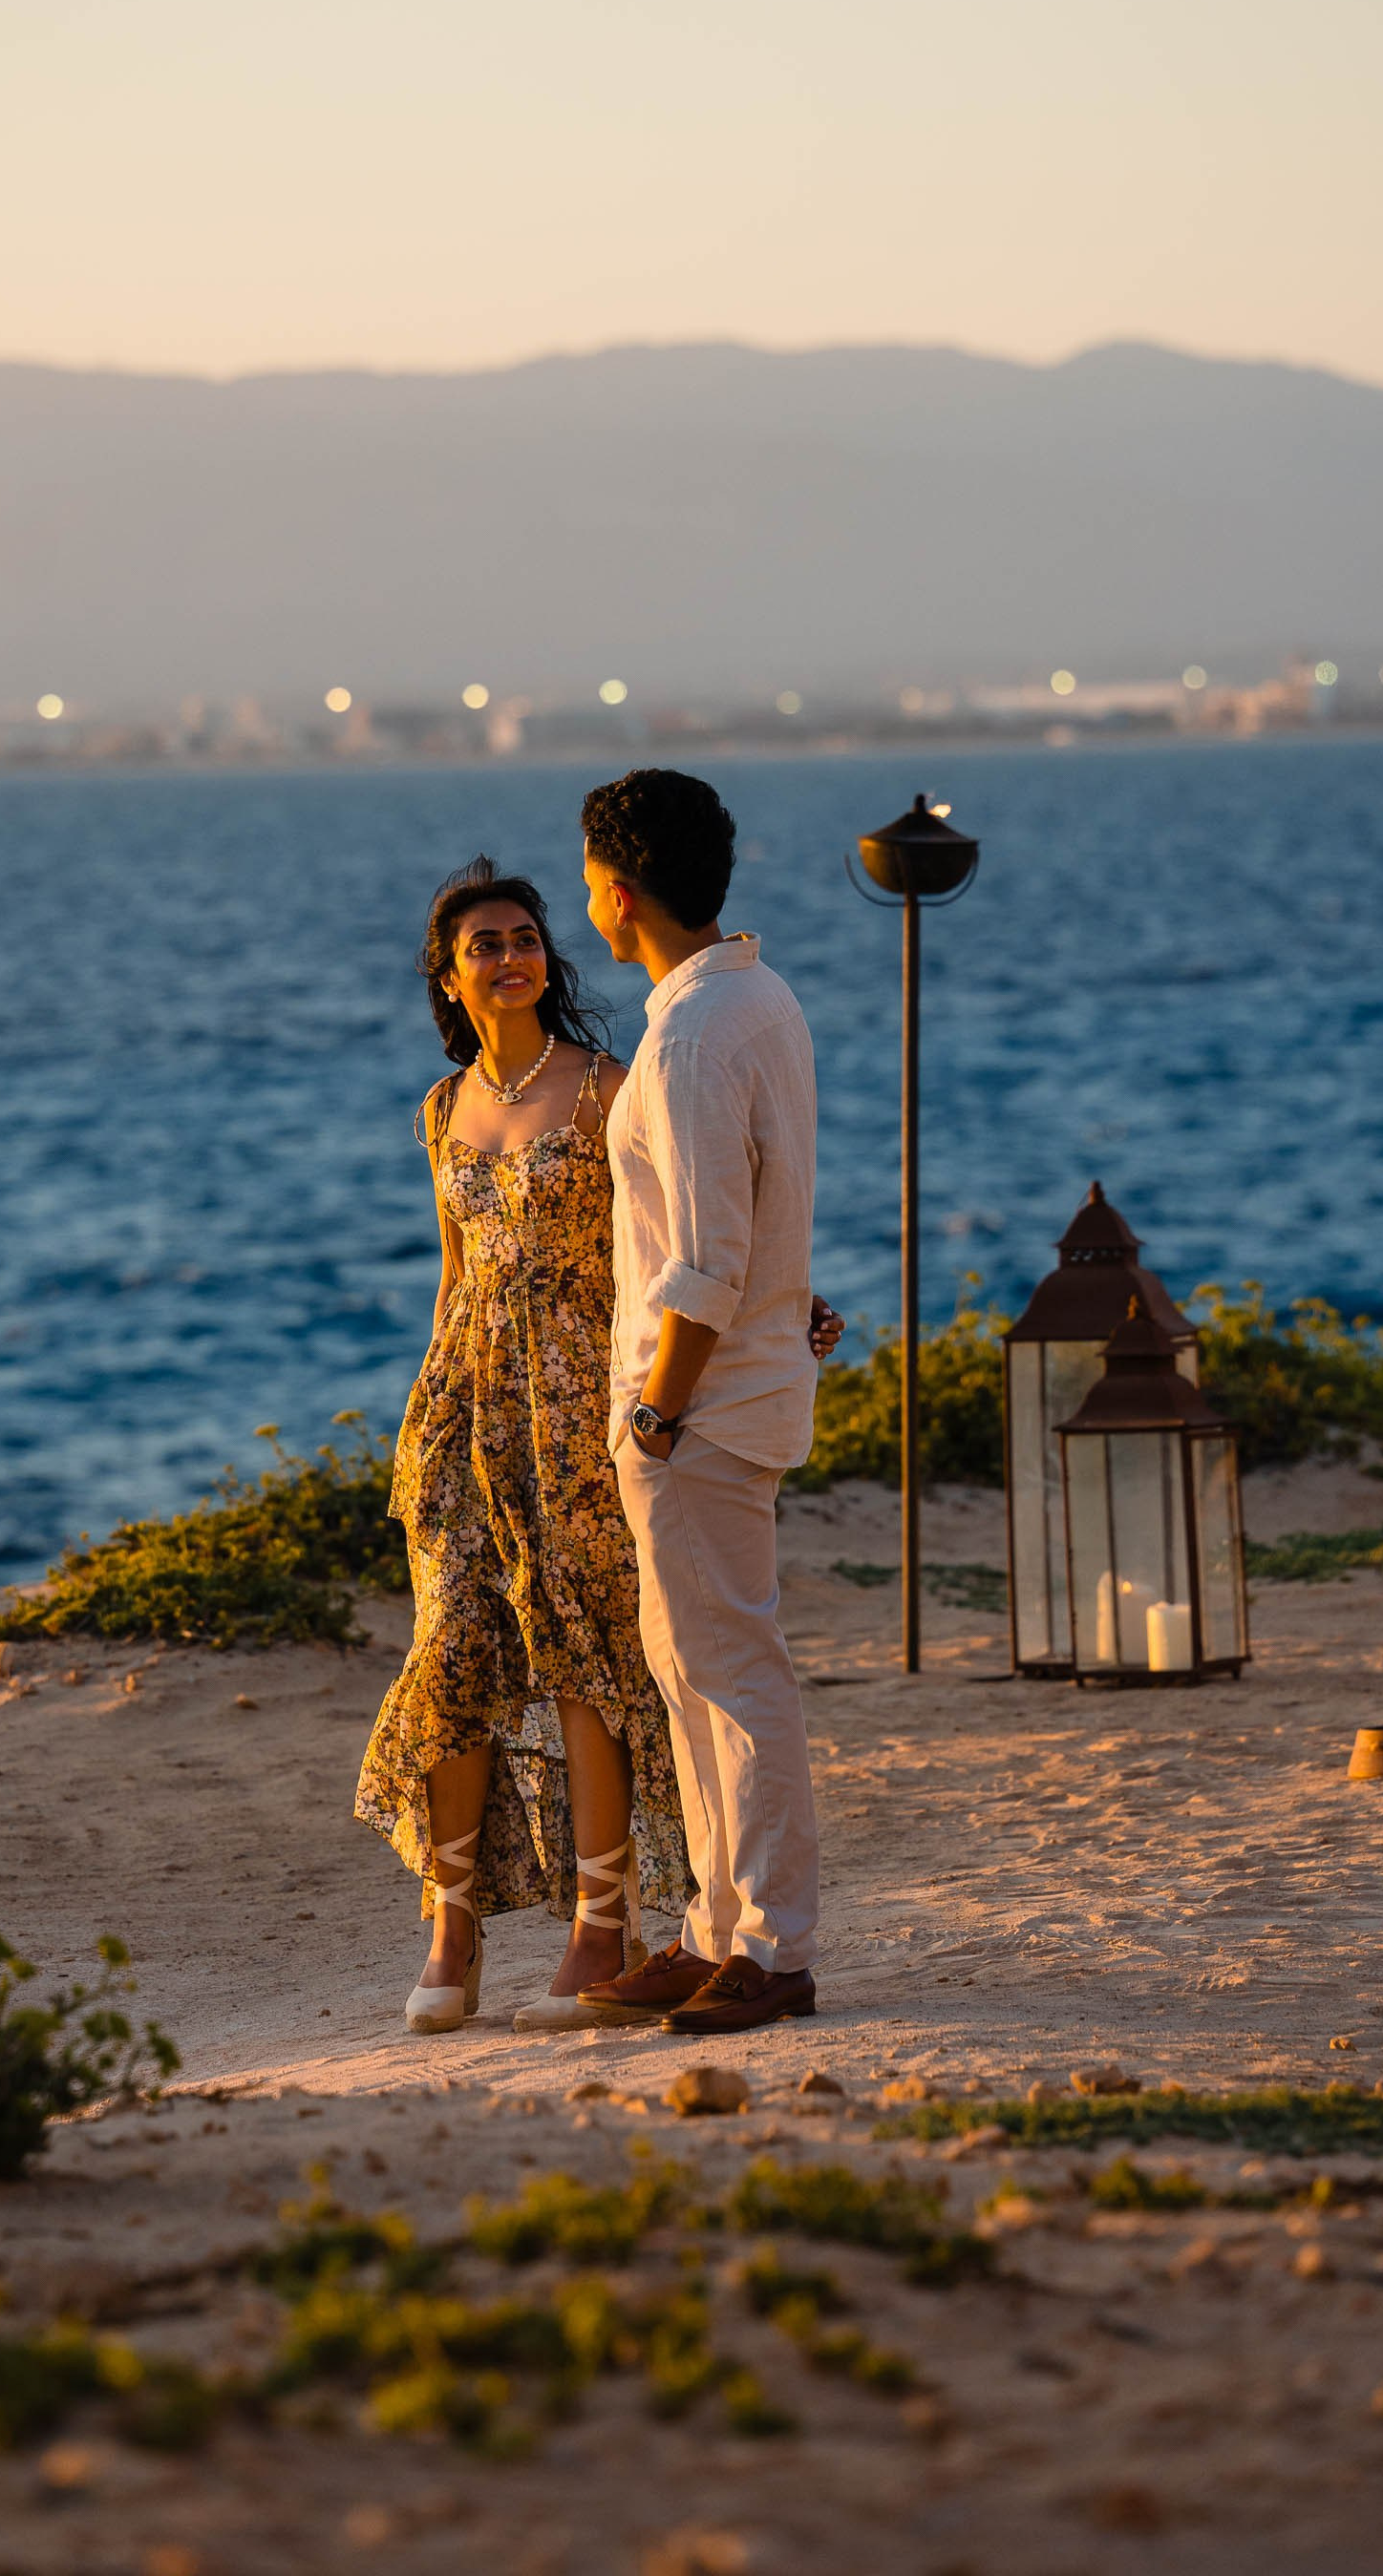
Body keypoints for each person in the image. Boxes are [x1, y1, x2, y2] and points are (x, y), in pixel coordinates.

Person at [353, 857, 691, 2035]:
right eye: (483, 944)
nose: (510, 955)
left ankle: (604, 1922)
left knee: (583, 1660)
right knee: (452, 1652)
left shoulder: (607, 1088)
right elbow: (453, 1272)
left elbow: (664, 1246)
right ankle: (452, 1924)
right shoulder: (442, 1110)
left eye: (524, 936)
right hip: (460, 1412)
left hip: (572, 1412)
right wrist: (421, 1407)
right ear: (449, 980)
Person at [575, 770, 836, 2038]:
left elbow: (704, 1260)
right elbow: (764, 1198)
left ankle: (774, 1945)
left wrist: (656, 1414)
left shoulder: (686, 1034)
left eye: (585, 884)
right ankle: (719, 1928)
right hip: (750, 1376)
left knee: (730, 1673)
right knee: (697, 1671)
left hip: (707, 1404)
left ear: (617, 891)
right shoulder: (758, 997)